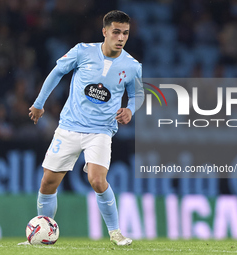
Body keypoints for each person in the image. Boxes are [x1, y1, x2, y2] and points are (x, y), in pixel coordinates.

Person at [19, 10, 144, 246]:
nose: (121, 37)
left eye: (125, 33)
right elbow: (57, 72)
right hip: (69, 127)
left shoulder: (132, 65)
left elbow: (137, 94)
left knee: (97, 180)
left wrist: (130, 110)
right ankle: (42, 234)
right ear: (105, 31)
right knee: (48, 183)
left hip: (101, 130)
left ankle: (115, 232)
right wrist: (39, 103)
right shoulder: (83, 51)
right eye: (116, 32)